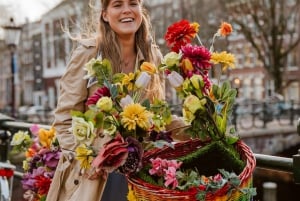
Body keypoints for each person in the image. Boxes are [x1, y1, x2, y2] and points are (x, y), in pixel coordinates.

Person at [46, 0, 166, 200]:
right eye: (117, 5)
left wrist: (198, 126)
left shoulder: (153, 57)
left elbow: (160, 117)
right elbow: (64, 119)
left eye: (133, 3)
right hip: (93, 174)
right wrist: (89, 158)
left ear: (140, 10)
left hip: (139, 170)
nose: (127, 10)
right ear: (104, 14)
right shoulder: (88, 53)